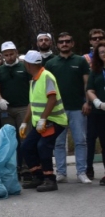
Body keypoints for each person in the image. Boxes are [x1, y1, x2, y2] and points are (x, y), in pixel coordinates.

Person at [44, 32, 91, 184]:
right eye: (61, 42)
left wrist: (87, 102)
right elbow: (47, 87)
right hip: (58, 110)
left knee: (80, 141)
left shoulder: (80, 61)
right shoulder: (51, 63)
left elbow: (87, 83)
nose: (64, 44)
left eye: (67, 41)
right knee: (58, 142)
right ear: (57, 45)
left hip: (78, 107)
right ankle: (61, 173)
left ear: (72, 43)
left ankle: (81, 172)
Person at [21, 50, 67, 192]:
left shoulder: (46, 76)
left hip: (54, 120)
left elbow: (52, 99)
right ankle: (38, 176)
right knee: (27, 146)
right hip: (41, 123)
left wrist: (43, 119)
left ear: (28, 64)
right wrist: (25, 122)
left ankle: (49, 179)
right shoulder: (34, 80)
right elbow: (32, 104)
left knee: (43, 146)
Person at [0, 41, 31, 180]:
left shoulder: (24, 67)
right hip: (6, 109)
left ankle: (28, 168)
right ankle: (13, 168)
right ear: (3, 55)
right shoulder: (0, 70)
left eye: (11, 54)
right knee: (9, 140)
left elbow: (31, 85)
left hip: (23, 107)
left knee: (24, 138)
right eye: (6, 55)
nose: (9, 57)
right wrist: (0, 99)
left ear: (16, 52)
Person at [85, 29, 104, 180]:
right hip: (98, 112)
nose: (104, 54)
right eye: (101, 52)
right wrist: (96, 102)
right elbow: (89, 89)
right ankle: (89, 167)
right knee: (92, 140)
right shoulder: (95, 71)